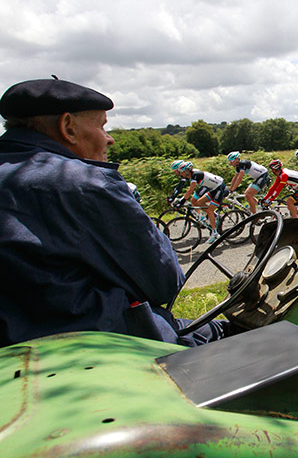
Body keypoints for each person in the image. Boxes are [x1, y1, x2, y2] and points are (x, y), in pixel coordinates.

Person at [0, 77, 225, 348]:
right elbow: (165, 282)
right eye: (101, 125)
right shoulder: (84, 183)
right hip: (105, 342)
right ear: (68, 127)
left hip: (21, 348)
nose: (110, 138)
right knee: (241, 335)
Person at [174, 161, 228, 244]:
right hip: (213, 188)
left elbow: (190, 190)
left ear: (187, 171)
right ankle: (214, 215)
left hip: (220, 188)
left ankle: (214, 233)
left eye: (182, 172)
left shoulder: (195, 175)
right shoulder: (191, 174)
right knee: (198, 203)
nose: (181, 174)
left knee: (209, 210)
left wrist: (182, 201)